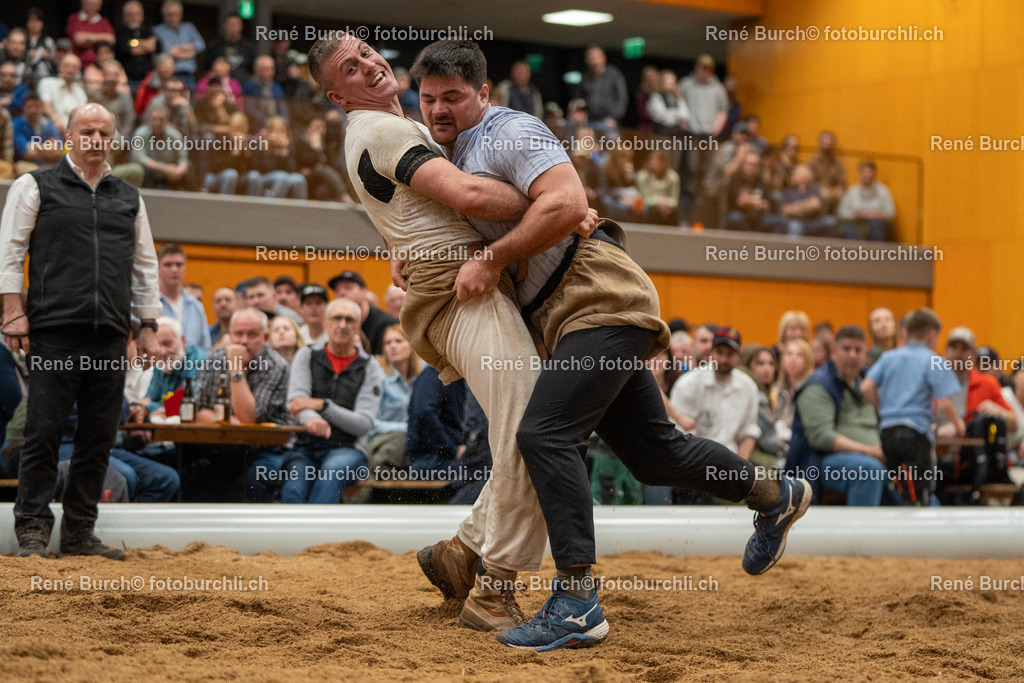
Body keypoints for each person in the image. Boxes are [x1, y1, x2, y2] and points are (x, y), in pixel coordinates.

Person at [408, 39, 809, 650]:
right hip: (573, 314)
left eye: (454, 98)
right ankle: (776, 493)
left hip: (599, 298)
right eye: (429, 98)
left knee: (543, 432)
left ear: (484, 95)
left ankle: (576, 600)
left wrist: (492, 256)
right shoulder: (445, 154)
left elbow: (568, 202)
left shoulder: (508, 130)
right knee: (653, 453)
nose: (439, 109)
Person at [307, 34, 555, 631]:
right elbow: (468, 194)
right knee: (535, 431)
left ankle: (461, 551)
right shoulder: (384, 131)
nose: (368, 62)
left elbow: (413, 211)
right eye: (350, 67)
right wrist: (554, 197)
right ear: (336, 95)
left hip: (451, 290)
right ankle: (494, 589)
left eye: (366, 50)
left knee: (527, 430)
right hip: (459, 292)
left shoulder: (385, 129)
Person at [0, 102, 161, 559]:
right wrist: (12, 310)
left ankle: (78, 534)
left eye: (103, 133)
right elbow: (10, 251)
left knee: (97, 438)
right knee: (43, 433)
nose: (94, 139)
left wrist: (148, 325)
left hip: (111, 333)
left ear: (112, 139)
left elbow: (145, 267)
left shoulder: (129, 197)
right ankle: (32, 529)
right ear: (69, 135)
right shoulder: (35, 185)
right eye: (85, 131)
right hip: (53, 330)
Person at [282, 298, 382, 503]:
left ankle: (318, 535)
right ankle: (290, 535)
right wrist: (312, 420)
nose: (343, 325)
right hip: (305, 446)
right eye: (337, 318)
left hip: (350, 450)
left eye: (349, 320)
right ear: (326, 323)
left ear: (358, 326)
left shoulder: (369, 366)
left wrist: (323, 406)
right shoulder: (306, 356)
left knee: (331, 472)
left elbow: (364, 423)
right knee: (294, 488)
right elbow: (296, 403)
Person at [861, 309, 966, 506]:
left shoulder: (889, 357)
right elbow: (944, 402)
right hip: (915, 433)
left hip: (887, 433)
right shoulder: (933, 360)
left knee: (898, 490)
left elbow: (866, 387)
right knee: (920, 494)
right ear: (932, 334)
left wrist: (881, 409)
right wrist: (958, 424)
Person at [785, 326, 890, 505]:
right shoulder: (818, 385)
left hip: (874, 455)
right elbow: (822, 437)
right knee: (869, 471)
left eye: (858, 350)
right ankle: (862, 532)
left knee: (914, 470)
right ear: (834, 353)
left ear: (866, 354)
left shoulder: (868, 383)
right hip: (821, 462)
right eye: (846, 349)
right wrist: (869, 451)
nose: (852, 355)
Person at [367, 324, 421, 476]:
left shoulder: (422, 377)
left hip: (415, 443)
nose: (392, 347)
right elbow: (372, 423)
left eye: (398, 341)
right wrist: (406, 428)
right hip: (384, 441)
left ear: (411, 344)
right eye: (387, 343)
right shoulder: (379, 379)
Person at [142, 316, 205, 416]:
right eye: (157, 346)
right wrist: (152, 407)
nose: (162, 351)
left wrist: (151, 407)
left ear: (183, 341)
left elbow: (186, 407)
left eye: (168, 343)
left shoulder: (198, 360)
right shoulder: (161, 365)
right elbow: (145, 401)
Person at [327, 271, 397, 356]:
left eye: (348, 288)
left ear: (364, 292)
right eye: (337, 290)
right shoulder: (333, 324)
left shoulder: (386, 324)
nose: (341, 293)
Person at [157, 243, 211, 350]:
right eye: (168, 265)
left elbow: (205, 348)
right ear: (157, 267)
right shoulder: (146, 305)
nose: (174, 269)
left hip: (192, 366)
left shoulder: (196, 306)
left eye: (179, 264)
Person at [152, 0, 204, 91]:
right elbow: (167, 52)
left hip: (188, 76)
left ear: (181, 15)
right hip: (169, 76)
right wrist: (189, 52)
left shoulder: (189, 27)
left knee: (189, 103)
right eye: (169, 14)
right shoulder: (157, 30)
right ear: (164, 15)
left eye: (175, 14)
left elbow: (201, 45)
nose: (172, 18)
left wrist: (179, 49)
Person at [838, 160, 894, 241]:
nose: (866, 175)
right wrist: (854, 215)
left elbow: (890, 213)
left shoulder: (883, 191)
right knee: (847, 227)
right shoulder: (853, 191)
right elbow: (842, 212)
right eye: (863, 172)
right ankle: (855, 251)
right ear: (860, 174)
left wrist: (872, 215)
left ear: (874, 173)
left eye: (869, 172)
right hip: (855, 224)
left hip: (877, 224)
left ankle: (876, 252)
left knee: (875, 223)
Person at [577, 46, 627, 129]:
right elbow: (579, 97)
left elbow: (622, 97)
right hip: (589, 120)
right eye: (590, 58)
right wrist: (580, 113)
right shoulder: (585, 76)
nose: (593, 61)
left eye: (595, 57)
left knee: (608, 142)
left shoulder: (614, 74)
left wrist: (614, 117)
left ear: (603, 58)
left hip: (608, 121)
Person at [114, 1, 157, 91]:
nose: (134, 17)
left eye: (137, 14)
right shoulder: (120, 31)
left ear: (142, 15)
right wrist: (145, 44)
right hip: (127, 77)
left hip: (147, 77)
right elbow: (125, 49)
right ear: (125, 16)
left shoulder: (148, 30)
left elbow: (153, 47)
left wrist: (132, 43)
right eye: (130, 14)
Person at [65, 0, 115, 70]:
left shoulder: (104, 22)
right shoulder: (74, 19)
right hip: (78, 66)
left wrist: (89, 37)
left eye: (94, 4)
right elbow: (78, 40)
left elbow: (111, 39)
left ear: (99, 6)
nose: (91, 6)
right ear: (82, 4)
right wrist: (101, 38)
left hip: (101, 66)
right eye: (88, 3)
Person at [205, 14, 256, 83]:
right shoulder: (214, 45)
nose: (234, 27)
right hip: (220, 86)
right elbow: (207, 69)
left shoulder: (248, 47)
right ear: (225, 25)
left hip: (243, 87)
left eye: (237, 24)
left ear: (241, 26)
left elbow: (253, 70)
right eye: (231, 24)